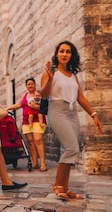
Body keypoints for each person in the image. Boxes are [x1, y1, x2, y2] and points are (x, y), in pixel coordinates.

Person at [40, 41, 102, 200]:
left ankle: (65, 188)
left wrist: (93, 114)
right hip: (57, 112)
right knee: (71, 148)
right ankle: (57, 185)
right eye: (61, 51)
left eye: (68, 51)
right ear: (56, 54)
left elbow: (80, 98)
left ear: (71, 55)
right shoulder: (49, 72)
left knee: (69, 151)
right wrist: (50, 78)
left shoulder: (73, 75)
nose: (65, 54)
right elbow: (44, 95)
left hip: (72, 113)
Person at [8, 78, 48, 171]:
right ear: (26, 86)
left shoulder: (39, 95)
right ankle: (35, 163)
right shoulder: (25, 95)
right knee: (30, 142)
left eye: (32, 84)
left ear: (35, 85)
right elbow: (19, 105)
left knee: (38, 140)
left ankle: (43, 163)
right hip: (26, 121)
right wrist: (8, 108)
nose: (30, 86)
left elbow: (44, 107)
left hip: (38, 119)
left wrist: (35, 106)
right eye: (28, 84)